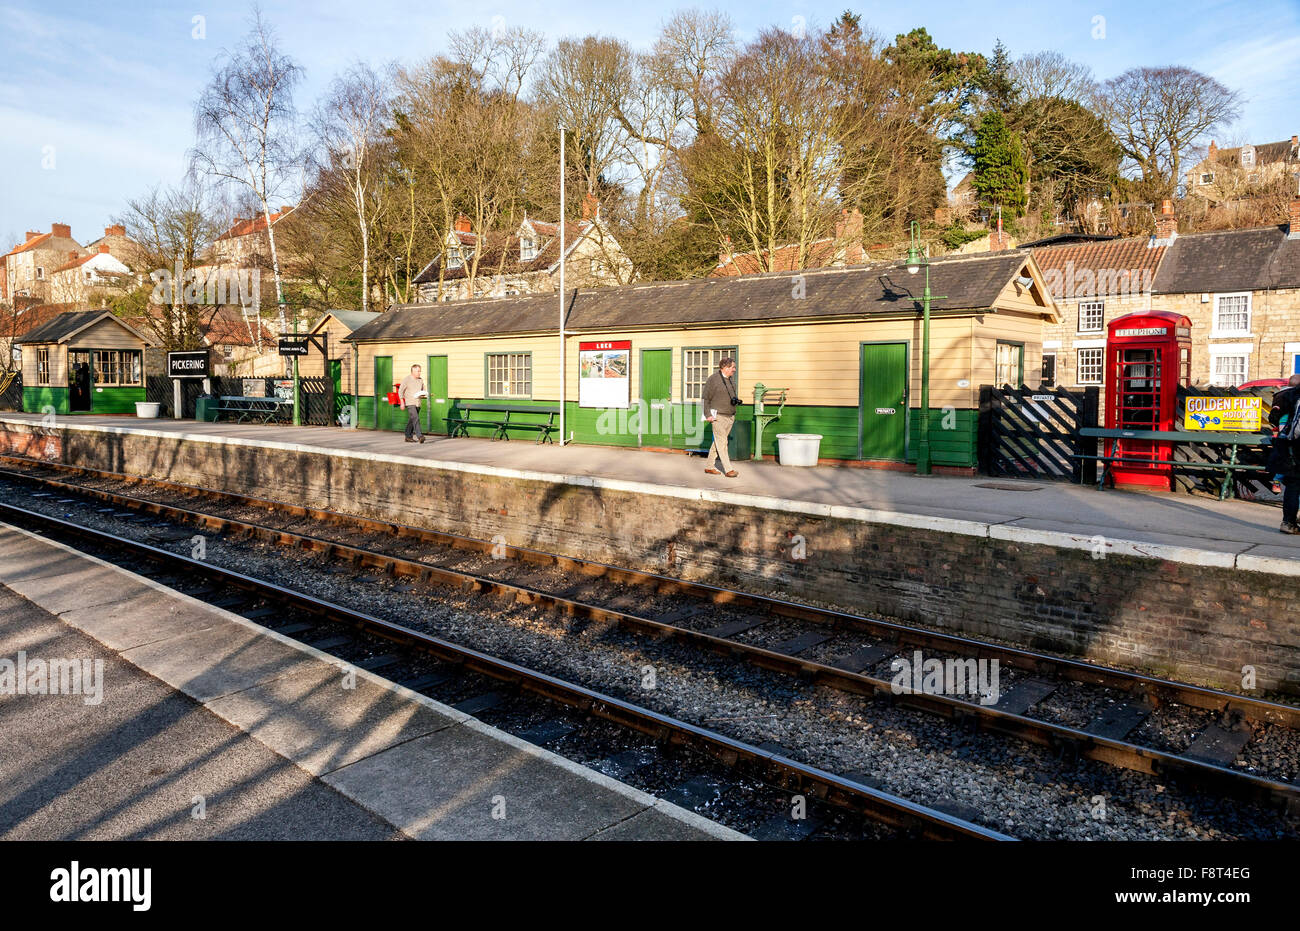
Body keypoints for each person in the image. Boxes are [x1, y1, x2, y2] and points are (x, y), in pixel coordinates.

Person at [1267, 374, 1300, 533]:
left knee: (1293, 484)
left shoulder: (1289, 395)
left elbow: (1274, 418)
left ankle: (1288, 522)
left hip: (1291, 445)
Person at [701, 357, 740, 477]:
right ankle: (728, 470)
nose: (734, 369)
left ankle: (709, 466)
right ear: (725, 367)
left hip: (730, 416)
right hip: (717, 416)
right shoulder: (713, 379)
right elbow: (705, 399)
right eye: (732, 367)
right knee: (723, 442)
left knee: (718, 443)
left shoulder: (731, 380)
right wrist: (707, 415)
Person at [399, 364, 427, 444]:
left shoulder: (420, 380)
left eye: (420, 371)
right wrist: (402, 402)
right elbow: (400, 391)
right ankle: (420, 436)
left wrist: (424, 394)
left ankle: (408, 436)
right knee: (416, 418)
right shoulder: (407, 379)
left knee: (412, 420)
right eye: (418, 371)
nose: (419, 373)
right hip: (410, 402)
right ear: (413, 371)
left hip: (418, 402)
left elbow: (423, 390)